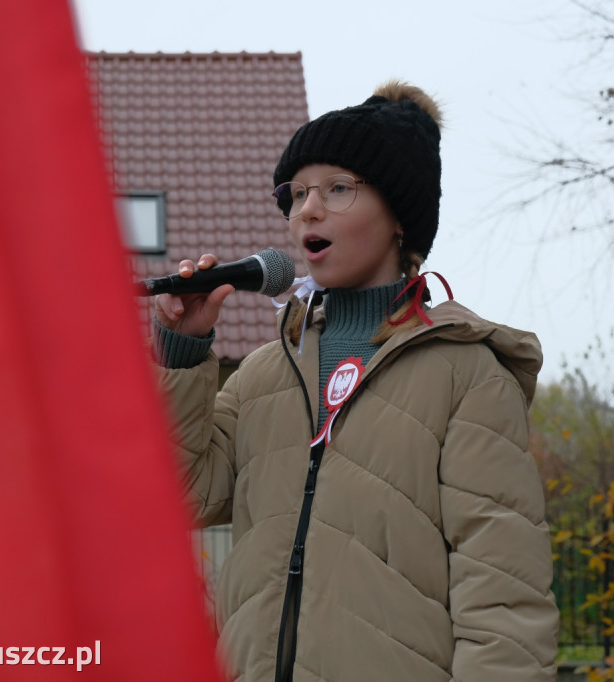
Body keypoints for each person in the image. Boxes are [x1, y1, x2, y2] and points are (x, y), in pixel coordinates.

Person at [152, 80, 559, 682]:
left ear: (399, 217)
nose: (307, 210)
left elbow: (502, 596)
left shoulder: (467, 373)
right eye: (296, 194)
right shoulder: (267, 372)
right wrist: (184, 352)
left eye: (338, 189)